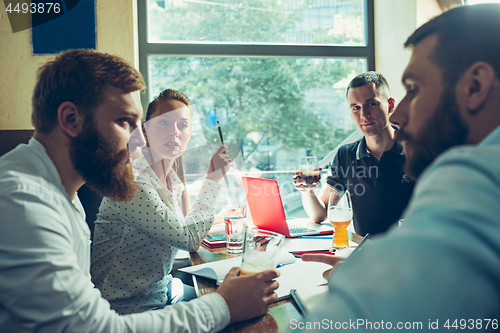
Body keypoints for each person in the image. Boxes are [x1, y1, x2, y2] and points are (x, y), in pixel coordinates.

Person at [0, 49, 279, 333]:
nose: (138, 140)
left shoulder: (59, 193)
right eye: (124, 122)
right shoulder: (23, 204)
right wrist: (224, 305)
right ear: (72, 119)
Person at [294, 4, 500, 330]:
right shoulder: (347, 154)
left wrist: (367, 271)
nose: (401, 115)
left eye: (414, 90)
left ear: (475, 86)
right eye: (355, 108)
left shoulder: (469, 173)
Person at [90, 89, 232, 314]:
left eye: (182, 125)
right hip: (126, 311)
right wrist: (213, 178)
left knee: (231, 297)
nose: (174, 132)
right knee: (229, 310)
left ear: (190, 133)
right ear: (145, 128)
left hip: (163, 291)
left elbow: (175, 229)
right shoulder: (133, 183)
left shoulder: (170, 183)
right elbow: (188, 239)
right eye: (164, 123)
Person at [293, 72, 414, 236]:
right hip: (366, 252)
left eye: (371, 104)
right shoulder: (345, 155)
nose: (364, 115)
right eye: (356, 107)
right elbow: (321, 214)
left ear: (390, 105)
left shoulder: (419, 149)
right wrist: (306, 191)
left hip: (413, 252)